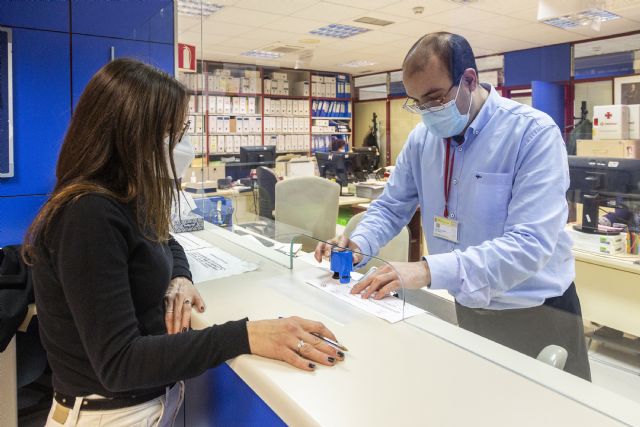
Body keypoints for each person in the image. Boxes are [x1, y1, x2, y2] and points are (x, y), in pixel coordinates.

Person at [23, 59, 344, 426]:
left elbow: (166, 240)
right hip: (108, 414)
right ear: (131, 133)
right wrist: (246, 335)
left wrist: (179, 277)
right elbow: (119, 363)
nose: (184, 146)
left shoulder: (125, 199)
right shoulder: (88, 214)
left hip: (145, 406)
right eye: (173, 134)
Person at [315, 32, 591, 381]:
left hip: (538, 312)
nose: (427, 112)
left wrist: (427, 270)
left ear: (469, 80)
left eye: (434, 98)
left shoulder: (532, 134)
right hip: (469, 305)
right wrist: (359, 243)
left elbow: (529, 245)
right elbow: (391, 206)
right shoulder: (422, 140)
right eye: (417, 102)